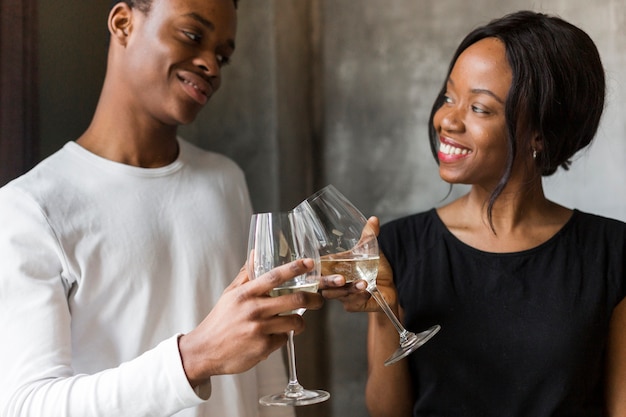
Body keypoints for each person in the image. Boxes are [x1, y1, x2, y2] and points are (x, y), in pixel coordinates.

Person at [0, 0, 325, 416]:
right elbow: (26, 406)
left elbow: (267, 378)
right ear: (123, 24)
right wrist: (193, 358)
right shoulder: (30, 208)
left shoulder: (225, 181)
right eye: (192, 36)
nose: (212, 65)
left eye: (223, 55)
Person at [323, 10, 626, 417]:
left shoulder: (612, 252)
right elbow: (389, 413)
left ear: (541, 132)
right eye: (449, 97)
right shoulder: (398, 247)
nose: (446, 119)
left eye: (479, 108)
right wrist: (385, 316)